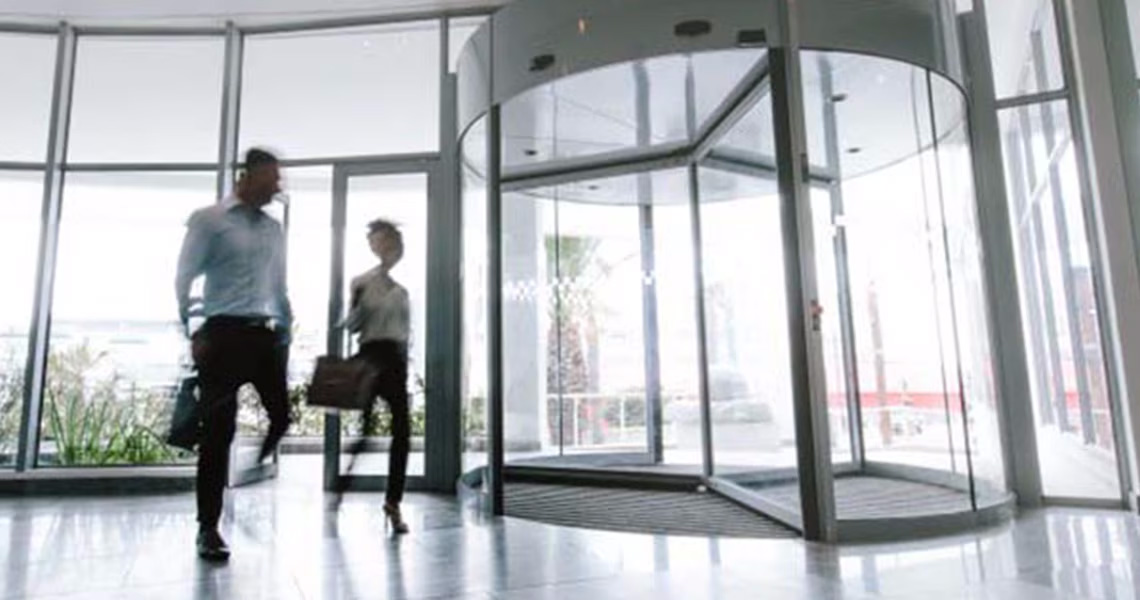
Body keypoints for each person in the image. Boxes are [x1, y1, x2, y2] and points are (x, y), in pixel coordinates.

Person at [175, 148, 293, 561]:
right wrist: (192, 330)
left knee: (282, 415)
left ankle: (253, 470)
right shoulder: (209, 220)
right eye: (272, 177)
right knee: (218, 435)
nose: (278, 185)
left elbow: (278, 284)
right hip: (221, 335)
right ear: (249, 175)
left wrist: (286, 329)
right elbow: (184, 276)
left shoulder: (274, 230)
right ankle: (208, 527)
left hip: (263, 335)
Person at [343, 218, 412, 534]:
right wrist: (356, 305)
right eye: (378, 242)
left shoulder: (401, 291)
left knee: (402, 433)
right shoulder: (361, 282)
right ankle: (346, 477)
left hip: (396, 360)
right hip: (371, 356)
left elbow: (404, 332)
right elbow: (352, 326)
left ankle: (393, 503)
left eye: (389, 243)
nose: (384, 248)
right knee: (366, 428)